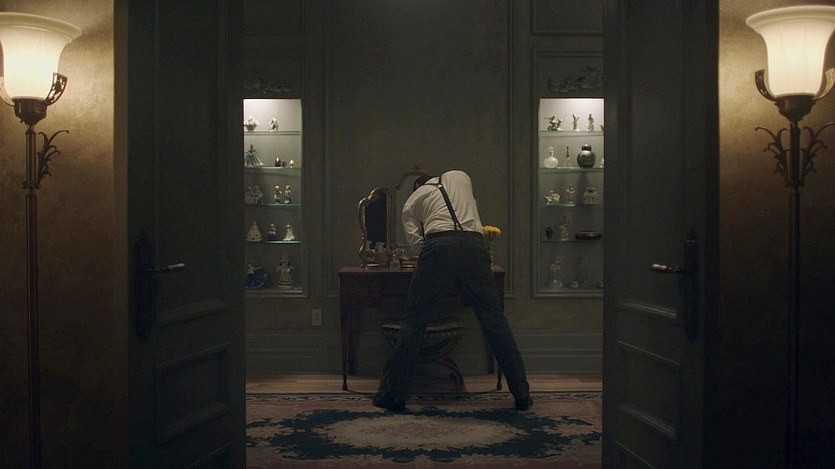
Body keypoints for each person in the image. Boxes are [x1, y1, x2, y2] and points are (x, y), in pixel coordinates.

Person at [372, 169, 532, 412]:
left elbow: (416, 243)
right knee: (495, 322)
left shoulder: (414, 198)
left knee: (414, 321)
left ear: (418, 186)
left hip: (439, 245)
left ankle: (395, 396)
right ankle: (522, 395)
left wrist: (430, 255)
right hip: (474, 245)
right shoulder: (460, 177)